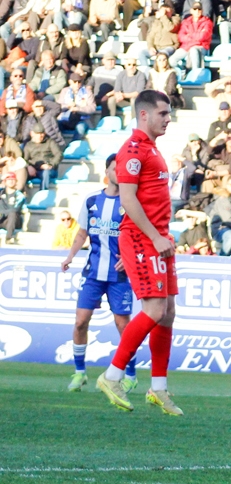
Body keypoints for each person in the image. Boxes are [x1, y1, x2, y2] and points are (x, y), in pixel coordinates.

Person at [94, 90, 181, 415]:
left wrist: (164, 237)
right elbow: (128, 200)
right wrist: (155, 238)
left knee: (168, 312)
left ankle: (158, 388)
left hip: (159, 237)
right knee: (155, 310)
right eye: (163, 113)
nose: (168, 119)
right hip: (142, 239)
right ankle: (112, 375)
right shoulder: (131, 150)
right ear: (144, 115)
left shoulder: (151, 150)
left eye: (169, 113)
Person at [59, 154, 137, 392]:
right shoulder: (92, 200)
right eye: (115, 168)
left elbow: (138, 236)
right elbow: (82, 232)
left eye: (122, 169)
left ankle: (131, 375)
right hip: (93, 272)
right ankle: (80, 372)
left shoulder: (131, 202)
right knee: (81, 321)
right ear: (107, 172)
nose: (119, 172)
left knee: (124, 326)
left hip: (119, 275)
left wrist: (129, 257)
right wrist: (70, 256)